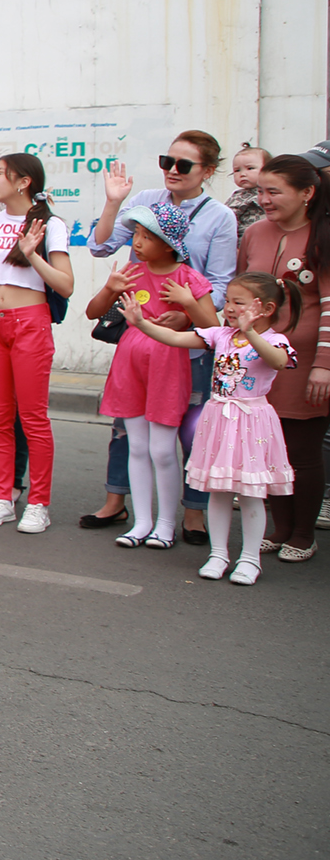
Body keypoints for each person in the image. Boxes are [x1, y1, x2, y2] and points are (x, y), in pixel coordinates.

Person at [86, 132, 235, 540]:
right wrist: (114, 201)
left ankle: (188, 514)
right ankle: (132, 513)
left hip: (183, 343)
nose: (171, 170)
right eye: (166, 160)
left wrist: (184, 312)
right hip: (135, 342)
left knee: (183, 432)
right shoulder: (144, 200)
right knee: (132, 436)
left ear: (207, 170)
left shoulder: (219, 217)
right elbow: (100, 249)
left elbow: (218, 285)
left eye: (183, 165)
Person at [119, 271, 296, 585]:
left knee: (251, 493)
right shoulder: (220, 334)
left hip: (250, 421)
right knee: (218, 491)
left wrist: (250, 332)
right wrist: (141, 323)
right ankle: (218, 554)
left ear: (266, 309)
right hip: (219, 420)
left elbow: (279, 361)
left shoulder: (274, 340)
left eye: (237, 302)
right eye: (227, 300)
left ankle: (250, 560)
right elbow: (176, 338)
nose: (228, 308)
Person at [0, 154, 73, 534]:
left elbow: (65, 285)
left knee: (32, 418)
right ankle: (2, 497)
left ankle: (39, 503)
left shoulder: (50, 225)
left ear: (24, 182)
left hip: (29, 324)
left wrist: (31, 255)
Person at [239, 154, 330, 561]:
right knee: (266, 448)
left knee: (301, 450)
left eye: (273, 191)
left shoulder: (323, 236)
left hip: (305, 361)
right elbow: (238, 290)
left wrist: (324, 365)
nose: (263, 199)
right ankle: (277, 526)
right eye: (260, 191)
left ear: (307, 193)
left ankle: (302, 533)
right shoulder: (255, 232)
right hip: (257, 359)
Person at [228, 144, 268, 236]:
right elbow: (228, 215)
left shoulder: (273, 192)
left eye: (250, 168)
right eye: (237, 170)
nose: (242, 174)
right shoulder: (240, 196)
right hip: (244, 238)